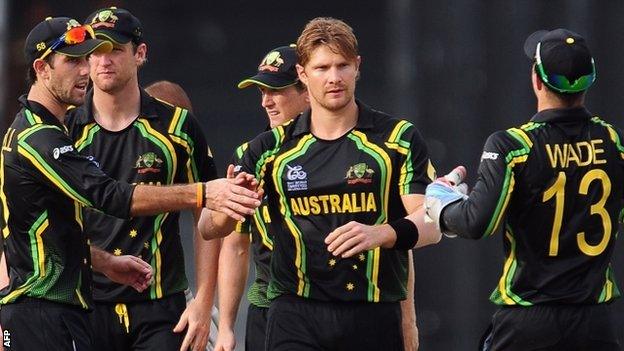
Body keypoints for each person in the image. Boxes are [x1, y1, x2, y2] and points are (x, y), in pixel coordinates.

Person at [0, 16, 259, 351]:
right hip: (48, 310)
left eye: (91, 56)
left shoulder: (174, 126)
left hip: (127, 304)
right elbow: (108, 196)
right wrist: (204, 193)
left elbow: (55, 228)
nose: (88, 69)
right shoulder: (46, 137)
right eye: (75, 60)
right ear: (41, 68)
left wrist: (107, 262)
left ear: (140, 54)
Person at [233, 17, 441, 351]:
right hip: (295, 310)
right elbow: (215, 230)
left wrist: (381, 233)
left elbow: (430, 224)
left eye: (343, 65)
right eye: (322, 68)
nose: (334, 78)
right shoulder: (267, 149)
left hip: (372, 310)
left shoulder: (397, 138)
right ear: (302, 74)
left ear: (357, 67)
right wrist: (224, 201)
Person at [425, 29, 622, 350]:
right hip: (594, 323)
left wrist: (440, 200)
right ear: (590, 79)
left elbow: (477, 222)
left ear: (537, 80)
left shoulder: (513, 145)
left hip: (529, 321)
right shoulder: (614, 142)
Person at [65, 7, 235, 351]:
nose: (103, 61)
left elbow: (206, 215)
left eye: (114, 49)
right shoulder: (64, 130)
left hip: (161, 305)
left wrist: (204, 301)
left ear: (139, 54)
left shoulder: (178, 128)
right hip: (82, 303)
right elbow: (30, 214)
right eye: (94, 51)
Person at [214, 45, 309, 351]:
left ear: (307, 90)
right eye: (262, 91)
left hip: (339, 303)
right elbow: (235, 243)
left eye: (276, 90)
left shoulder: (352, 148)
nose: (266, 101)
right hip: (269, 304)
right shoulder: (250, 154)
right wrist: (227, 327)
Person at [144, 79, 221, 351]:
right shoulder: (90, 138)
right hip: (93, 297)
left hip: (166, 294)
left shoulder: (185, 138)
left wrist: (203, 299)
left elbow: (209, 214)